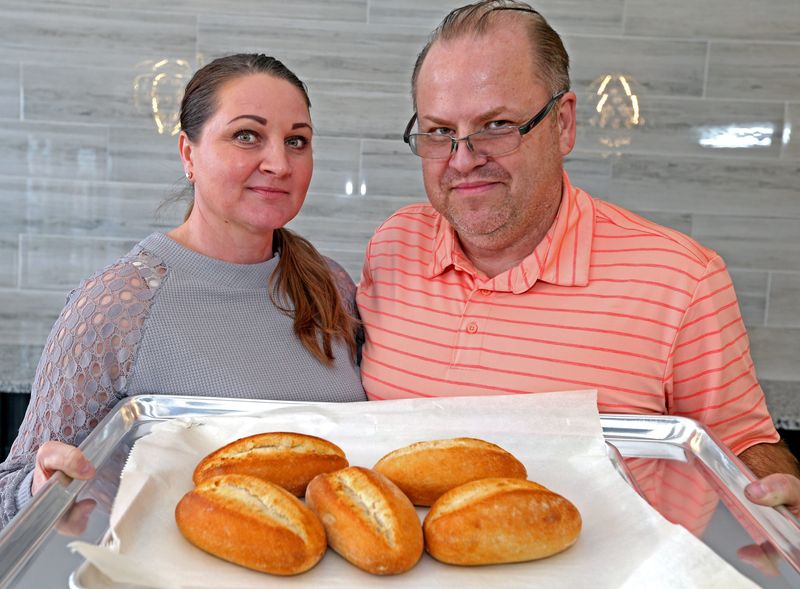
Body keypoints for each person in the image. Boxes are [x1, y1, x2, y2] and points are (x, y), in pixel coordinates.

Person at [355, 0, 800, 513]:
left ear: (563, 124)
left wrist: (782, 501)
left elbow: (743, 443)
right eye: (439, 132)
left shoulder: (680, 281)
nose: (462, 159)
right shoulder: (394, 245)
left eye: (496, 124)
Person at [0, 53, 366, 529]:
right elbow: (11, 489)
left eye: (297, 141)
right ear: (188, 154)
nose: (279, 163)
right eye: (246, 136)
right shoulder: (117, 305)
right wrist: (44, 489)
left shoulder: (332, 286)